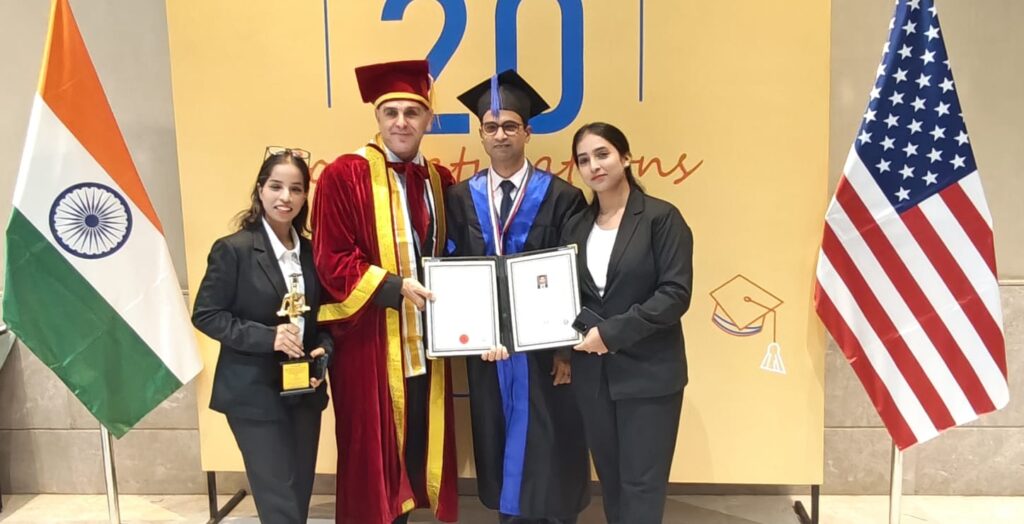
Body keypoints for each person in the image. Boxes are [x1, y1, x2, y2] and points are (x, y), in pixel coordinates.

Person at [311, 59, 458, 524]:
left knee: (415, 445)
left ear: (428, 119)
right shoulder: (344, 175)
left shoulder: (440, 179)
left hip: (428, 346)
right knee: (370, 454)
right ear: (376, 116)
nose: (401, 122)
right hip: (370, 344)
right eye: (390, 112)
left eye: (411, 113)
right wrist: (393, 287)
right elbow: (330, 259)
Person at [447, 69, 590, 524]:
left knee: (552, 436)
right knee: (497, 430)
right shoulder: (458, 198)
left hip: (545, 349)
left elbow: (576, 274)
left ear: (528, 132)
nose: (500, 134)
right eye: (491, 126)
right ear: (481, 135)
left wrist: (566, 347)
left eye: (510, 125)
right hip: (489, 349)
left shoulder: (563, 196)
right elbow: (452, 270)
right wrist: (463, 336)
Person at [561, 122, 693, 524]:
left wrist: (610, 334)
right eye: (584, 160)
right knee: (613, 482)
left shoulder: (661, 218)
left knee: (642, 485)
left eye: (602, 154)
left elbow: (674, 295)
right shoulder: (576, 226)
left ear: (625, 158)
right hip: (593, 376)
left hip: (649, 375)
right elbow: (567, 297)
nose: (593, 166)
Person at [192, 148, 331, 524]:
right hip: (252, 391)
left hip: (304, 390)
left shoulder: (312, 252)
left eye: (296, 189)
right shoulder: (233, 250)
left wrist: (323, 353)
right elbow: (206, 314)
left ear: (305, 197)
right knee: (278, 500)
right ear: (260, 189)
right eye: (276, 186)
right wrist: (266, 337)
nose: (285, 197)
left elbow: (325, 321)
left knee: (298, 491)